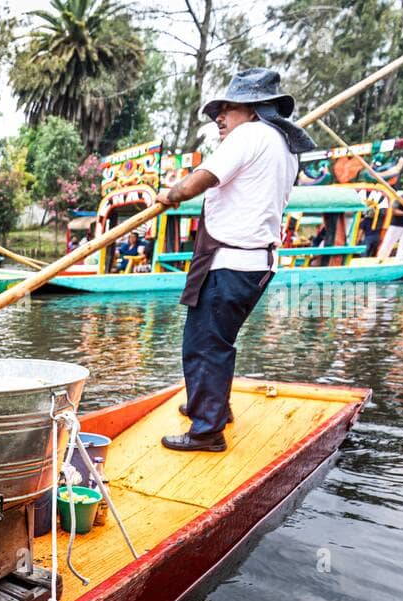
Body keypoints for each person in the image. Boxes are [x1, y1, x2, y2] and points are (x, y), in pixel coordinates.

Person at [156, 68, 316, 452]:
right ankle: (212, 406)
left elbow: (202, 179)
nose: (219, 117)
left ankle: (207, 430)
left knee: (205, 344)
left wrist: (170, 194)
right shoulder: (282, 147)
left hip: (231, 262)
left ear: (253, 109)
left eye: (227, 108)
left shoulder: (251, 135)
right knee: (217, 339)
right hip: (256, 264)